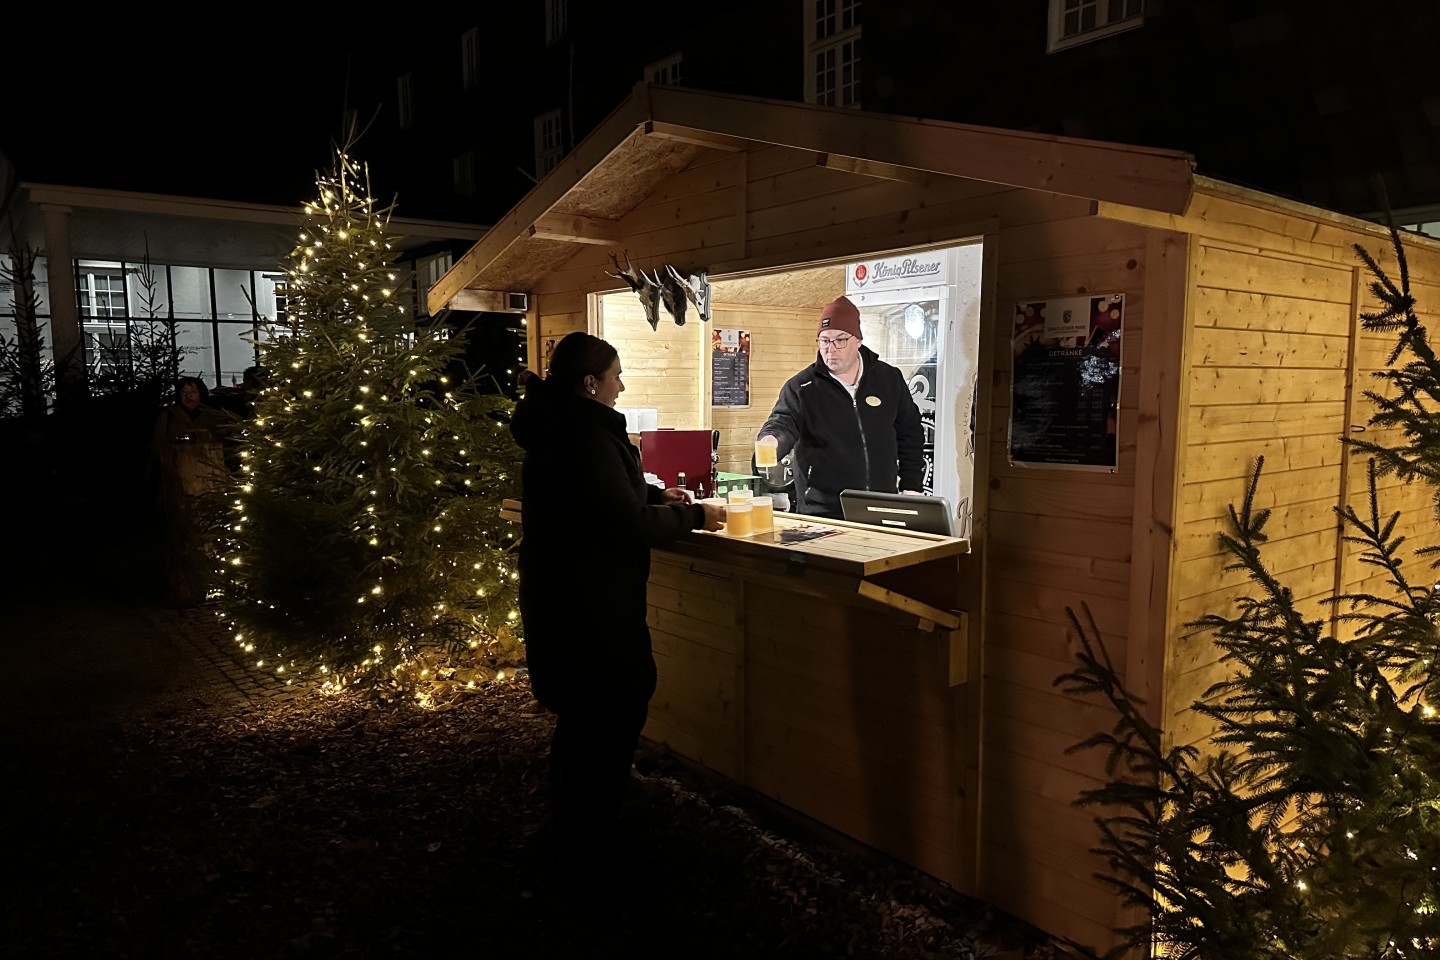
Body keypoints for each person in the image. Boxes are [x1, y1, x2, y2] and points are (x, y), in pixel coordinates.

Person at [509, 331, 725, 884]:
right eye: (615, 376)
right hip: (592, 611)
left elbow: (597, 497)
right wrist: (696, 517)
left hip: (562, 603)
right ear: (590, 383)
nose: (621, 385)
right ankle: (594, 856)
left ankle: (576, 838)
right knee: (606, 720)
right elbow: (620, 523)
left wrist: (655, 495)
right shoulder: (586, 435)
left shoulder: (556, 427)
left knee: (585, 725)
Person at [756, 295, 926, 520]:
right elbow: (783, 422)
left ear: (858, 340)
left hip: (882, 506)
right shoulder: (802, 388)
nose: (830, 349)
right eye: (824, 341)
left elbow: (910, 433)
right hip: (823, 513)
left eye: (840, 340)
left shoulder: (889, 379)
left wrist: (911, 486)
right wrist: (771, 440)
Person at [150, 376, 231, 606]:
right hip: (180, 484)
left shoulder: (213, 416)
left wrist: (204, 436)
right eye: (184, 391)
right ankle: (186, 587)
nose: (189, 395)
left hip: (211, 481)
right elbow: (160, 445)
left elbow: (225, 438)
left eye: (193, 390)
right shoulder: (168, 416)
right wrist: (182, 439)